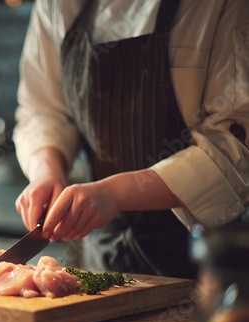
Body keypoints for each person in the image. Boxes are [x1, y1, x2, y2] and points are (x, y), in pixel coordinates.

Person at [13, 0, 249, 278]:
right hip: (104, 258)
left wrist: (115, 193)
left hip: (204, 263)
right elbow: (42, 110)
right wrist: (46, 170)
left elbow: (234, 146)